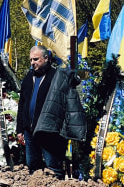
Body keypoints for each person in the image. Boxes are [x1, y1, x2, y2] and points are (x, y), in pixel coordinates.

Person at [16, 45, 86, 179]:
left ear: (46, 58)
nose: (32, 63)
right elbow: (22, 104)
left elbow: (68, 99)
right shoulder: (28, 78)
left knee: (53, 166)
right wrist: (20, 129)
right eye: (31, 60)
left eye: (36, 59)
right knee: (32, 165)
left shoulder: (56, 77)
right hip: (30, 131)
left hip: (49, 131)